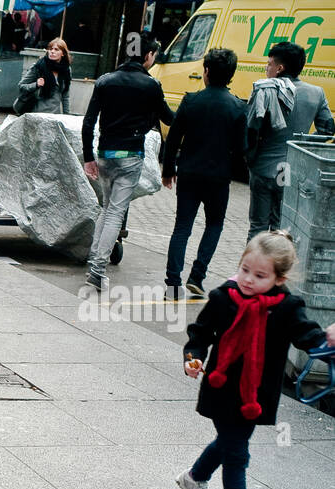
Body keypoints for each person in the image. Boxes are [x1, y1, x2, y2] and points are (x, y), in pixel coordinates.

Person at [178, 231, 335, 489]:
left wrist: (328, 340)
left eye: (260, 275)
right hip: (222, 387)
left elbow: (308, 337)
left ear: (279, 278)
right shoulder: (224, 298)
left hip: (255, 393)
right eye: (244, 269)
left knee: (228, 442)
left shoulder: (288, 307)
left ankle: (194, 477)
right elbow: (200, 333)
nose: (248, 279)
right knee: (237, 449)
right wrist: (193, 357)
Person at [80, 30, 173, 294]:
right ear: (147, 55)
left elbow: (89, 122)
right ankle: (97, 270)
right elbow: (168, 118)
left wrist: (88, 157)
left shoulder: (106, 81)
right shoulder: (151, 85)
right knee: (115, 213)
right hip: (131, 156)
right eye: (154, 54)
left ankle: (93, 263)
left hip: (105, 154)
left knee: (107, 209)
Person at [161, 48, 246, 300]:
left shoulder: (190, 101)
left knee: (182, 227)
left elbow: (173, 139)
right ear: (231, 75)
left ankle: (173, 284)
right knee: (215, 225)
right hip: (219, 177)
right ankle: (197, 276)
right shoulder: (238, 107)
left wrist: (168, 169)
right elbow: (241, 149)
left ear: (206, 71)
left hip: (188, 173)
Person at [244, 41, 335, 240]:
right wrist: (301, 142)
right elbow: (328, 129)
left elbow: (251, 129)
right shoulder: (316, 93)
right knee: (281, 227)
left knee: (257, 226)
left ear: (280, 68)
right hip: (290, 170)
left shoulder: (265, 90)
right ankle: (276, 269)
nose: (266, 68)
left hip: (263, 168)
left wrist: (250, 158)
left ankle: (253, 268)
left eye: (269, 64)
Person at [17, 37, 71, 114]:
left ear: (63, 53)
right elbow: (21, 86)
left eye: (56, 49)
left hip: (55, 115)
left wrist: (67, 115)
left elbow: (65, 96)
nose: (52, 51)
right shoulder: (39, 67)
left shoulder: (66, 69)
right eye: (50, 49)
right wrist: (36, 85)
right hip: (36, 114)